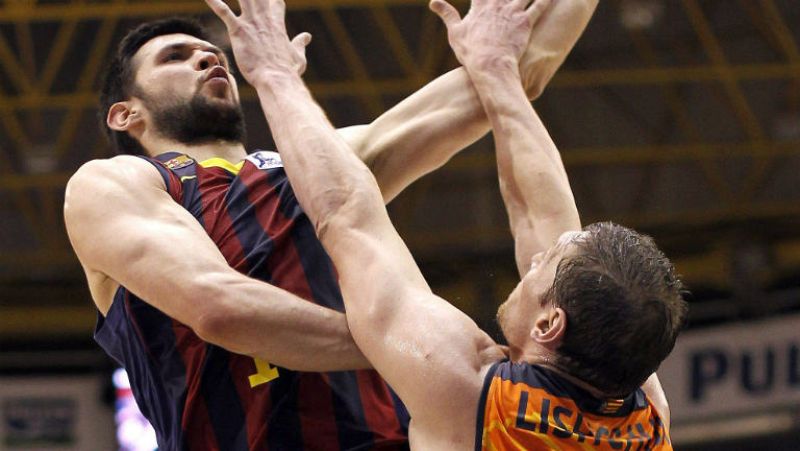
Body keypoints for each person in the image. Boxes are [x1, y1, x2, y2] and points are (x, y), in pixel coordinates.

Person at [63, 1, 598, 450]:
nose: (206, 56)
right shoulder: (116, 182)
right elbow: (218, 306)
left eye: (211, 52)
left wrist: (503, 42)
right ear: (124, 114)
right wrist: (424, 349)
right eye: (175, 57)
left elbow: (510, 71)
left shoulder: (321, 163)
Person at [202, 0, 689, 449]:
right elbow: (542, 217)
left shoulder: (469, 394)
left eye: (546, 264)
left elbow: (347, 217)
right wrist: (497, 71)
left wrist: (273, 72)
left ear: (549, 323)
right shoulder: (645, 412)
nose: (536, 258)